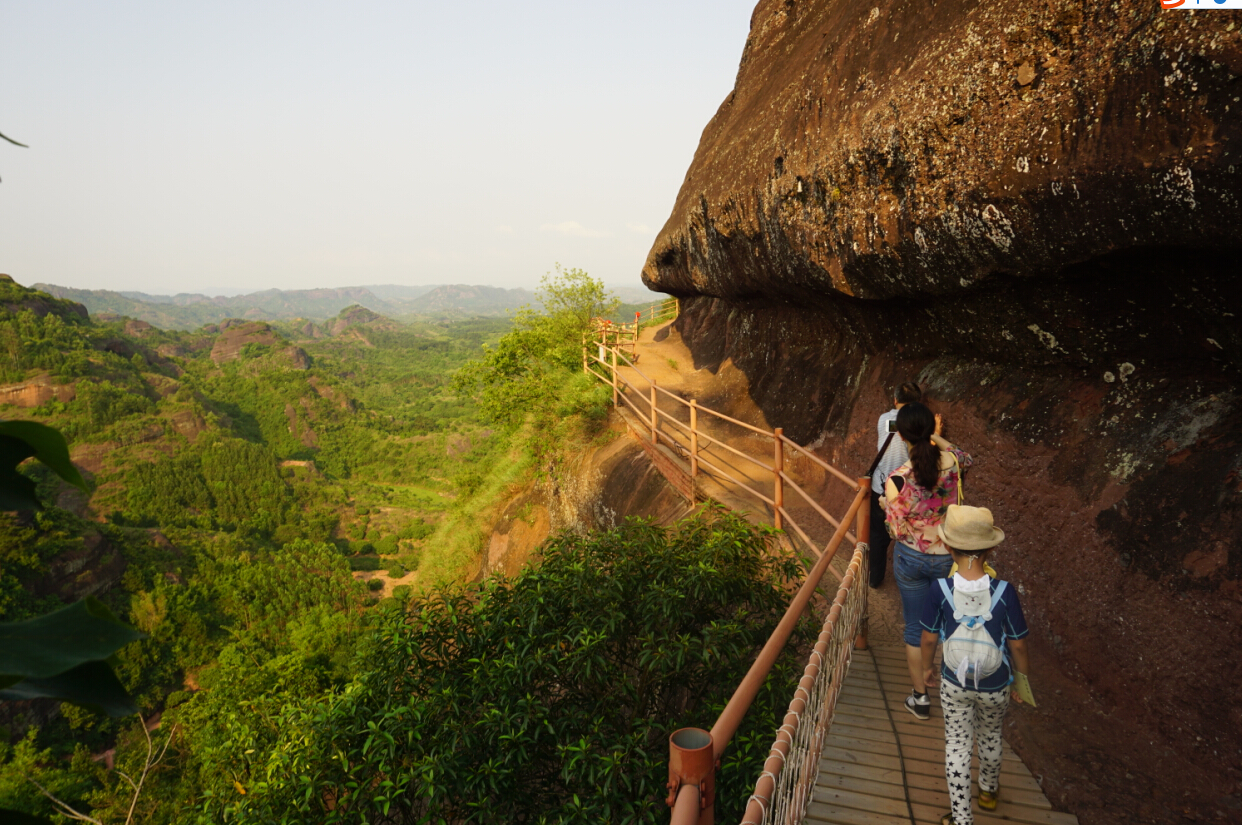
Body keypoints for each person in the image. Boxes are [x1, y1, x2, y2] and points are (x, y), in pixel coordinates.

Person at [919, 505, 1030, 825]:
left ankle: (961, 818)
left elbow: (928, 639)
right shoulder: (1005, 592)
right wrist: (1021, 681)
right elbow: (1018, 642)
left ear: (949, 547)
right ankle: (988, 791)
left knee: (957, 743)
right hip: (996, 683)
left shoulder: (939, 590)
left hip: (955, 682)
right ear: (992, 549)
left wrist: (928, 668)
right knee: (992, 735)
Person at [882, 400, 972, 720]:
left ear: (901, 436)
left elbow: (895, 530)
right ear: (931, 431)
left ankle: (920, 698)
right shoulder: (953, 463)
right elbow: (965, 455)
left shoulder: (898, 479)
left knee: (914, 628)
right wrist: (938, 437)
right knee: (949, 623)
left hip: (912, 559)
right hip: (950, 558)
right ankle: (953, 691)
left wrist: (885, 504)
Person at [868, 382, 923, 587]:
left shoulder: (884, 419)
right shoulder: (919, 423)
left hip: (880, 486)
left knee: (878, 535)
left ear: (895, 400)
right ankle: (909, 581)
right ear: (918, 403)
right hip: (905, 489)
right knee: (908, 534)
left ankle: (875, 579)